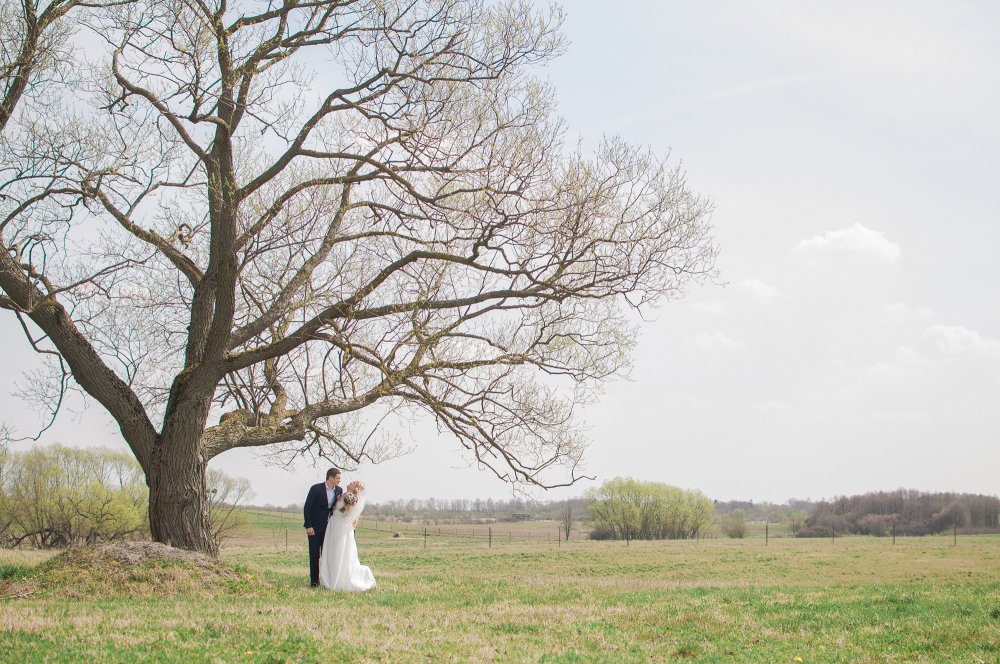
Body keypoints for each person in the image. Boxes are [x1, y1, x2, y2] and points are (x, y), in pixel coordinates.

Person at [319, 480, 376, 592]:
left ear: (355, 488)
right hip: (335, 523)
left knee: (339, 550)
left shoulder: (351, 496)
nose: (350, 482)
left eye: (353, 482)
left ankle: (338, 579)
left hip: (339, 523)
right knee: (333, 550)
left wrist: (336, 511)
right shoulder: (344, 494)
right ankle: (331, 577)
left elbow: (346, 511)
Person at [303, 468, 342, 587]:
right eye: (338, 478)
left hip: (329, 529)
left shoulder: (339, 490)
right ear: (330, 478)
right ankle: (314, 582)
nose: (339, 481)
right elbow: (307, 507)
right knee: (314, 556)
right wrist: (309, 525)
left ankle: (327, 581)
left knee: (327, 556)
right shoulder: (316, 488)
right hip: (314, 529)